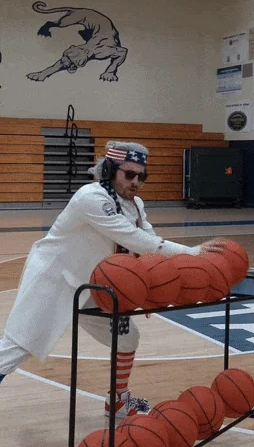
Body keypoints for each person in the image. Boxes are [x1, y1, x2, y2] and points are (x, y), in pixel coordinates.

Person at [0, 140, 223, 418]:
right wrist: (194, 253)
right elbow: (136, 240)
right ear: (109, 170)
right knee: (16, 348)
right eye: (129, 174)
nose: (136, 182)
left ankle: (117, 401)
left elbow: (148, 245)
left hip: (95, 287)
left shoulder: (136, 205)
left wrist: (151, 289)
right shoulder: (90, 197)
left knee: (128, 339)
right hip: (55, 280)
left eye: (141, 176)